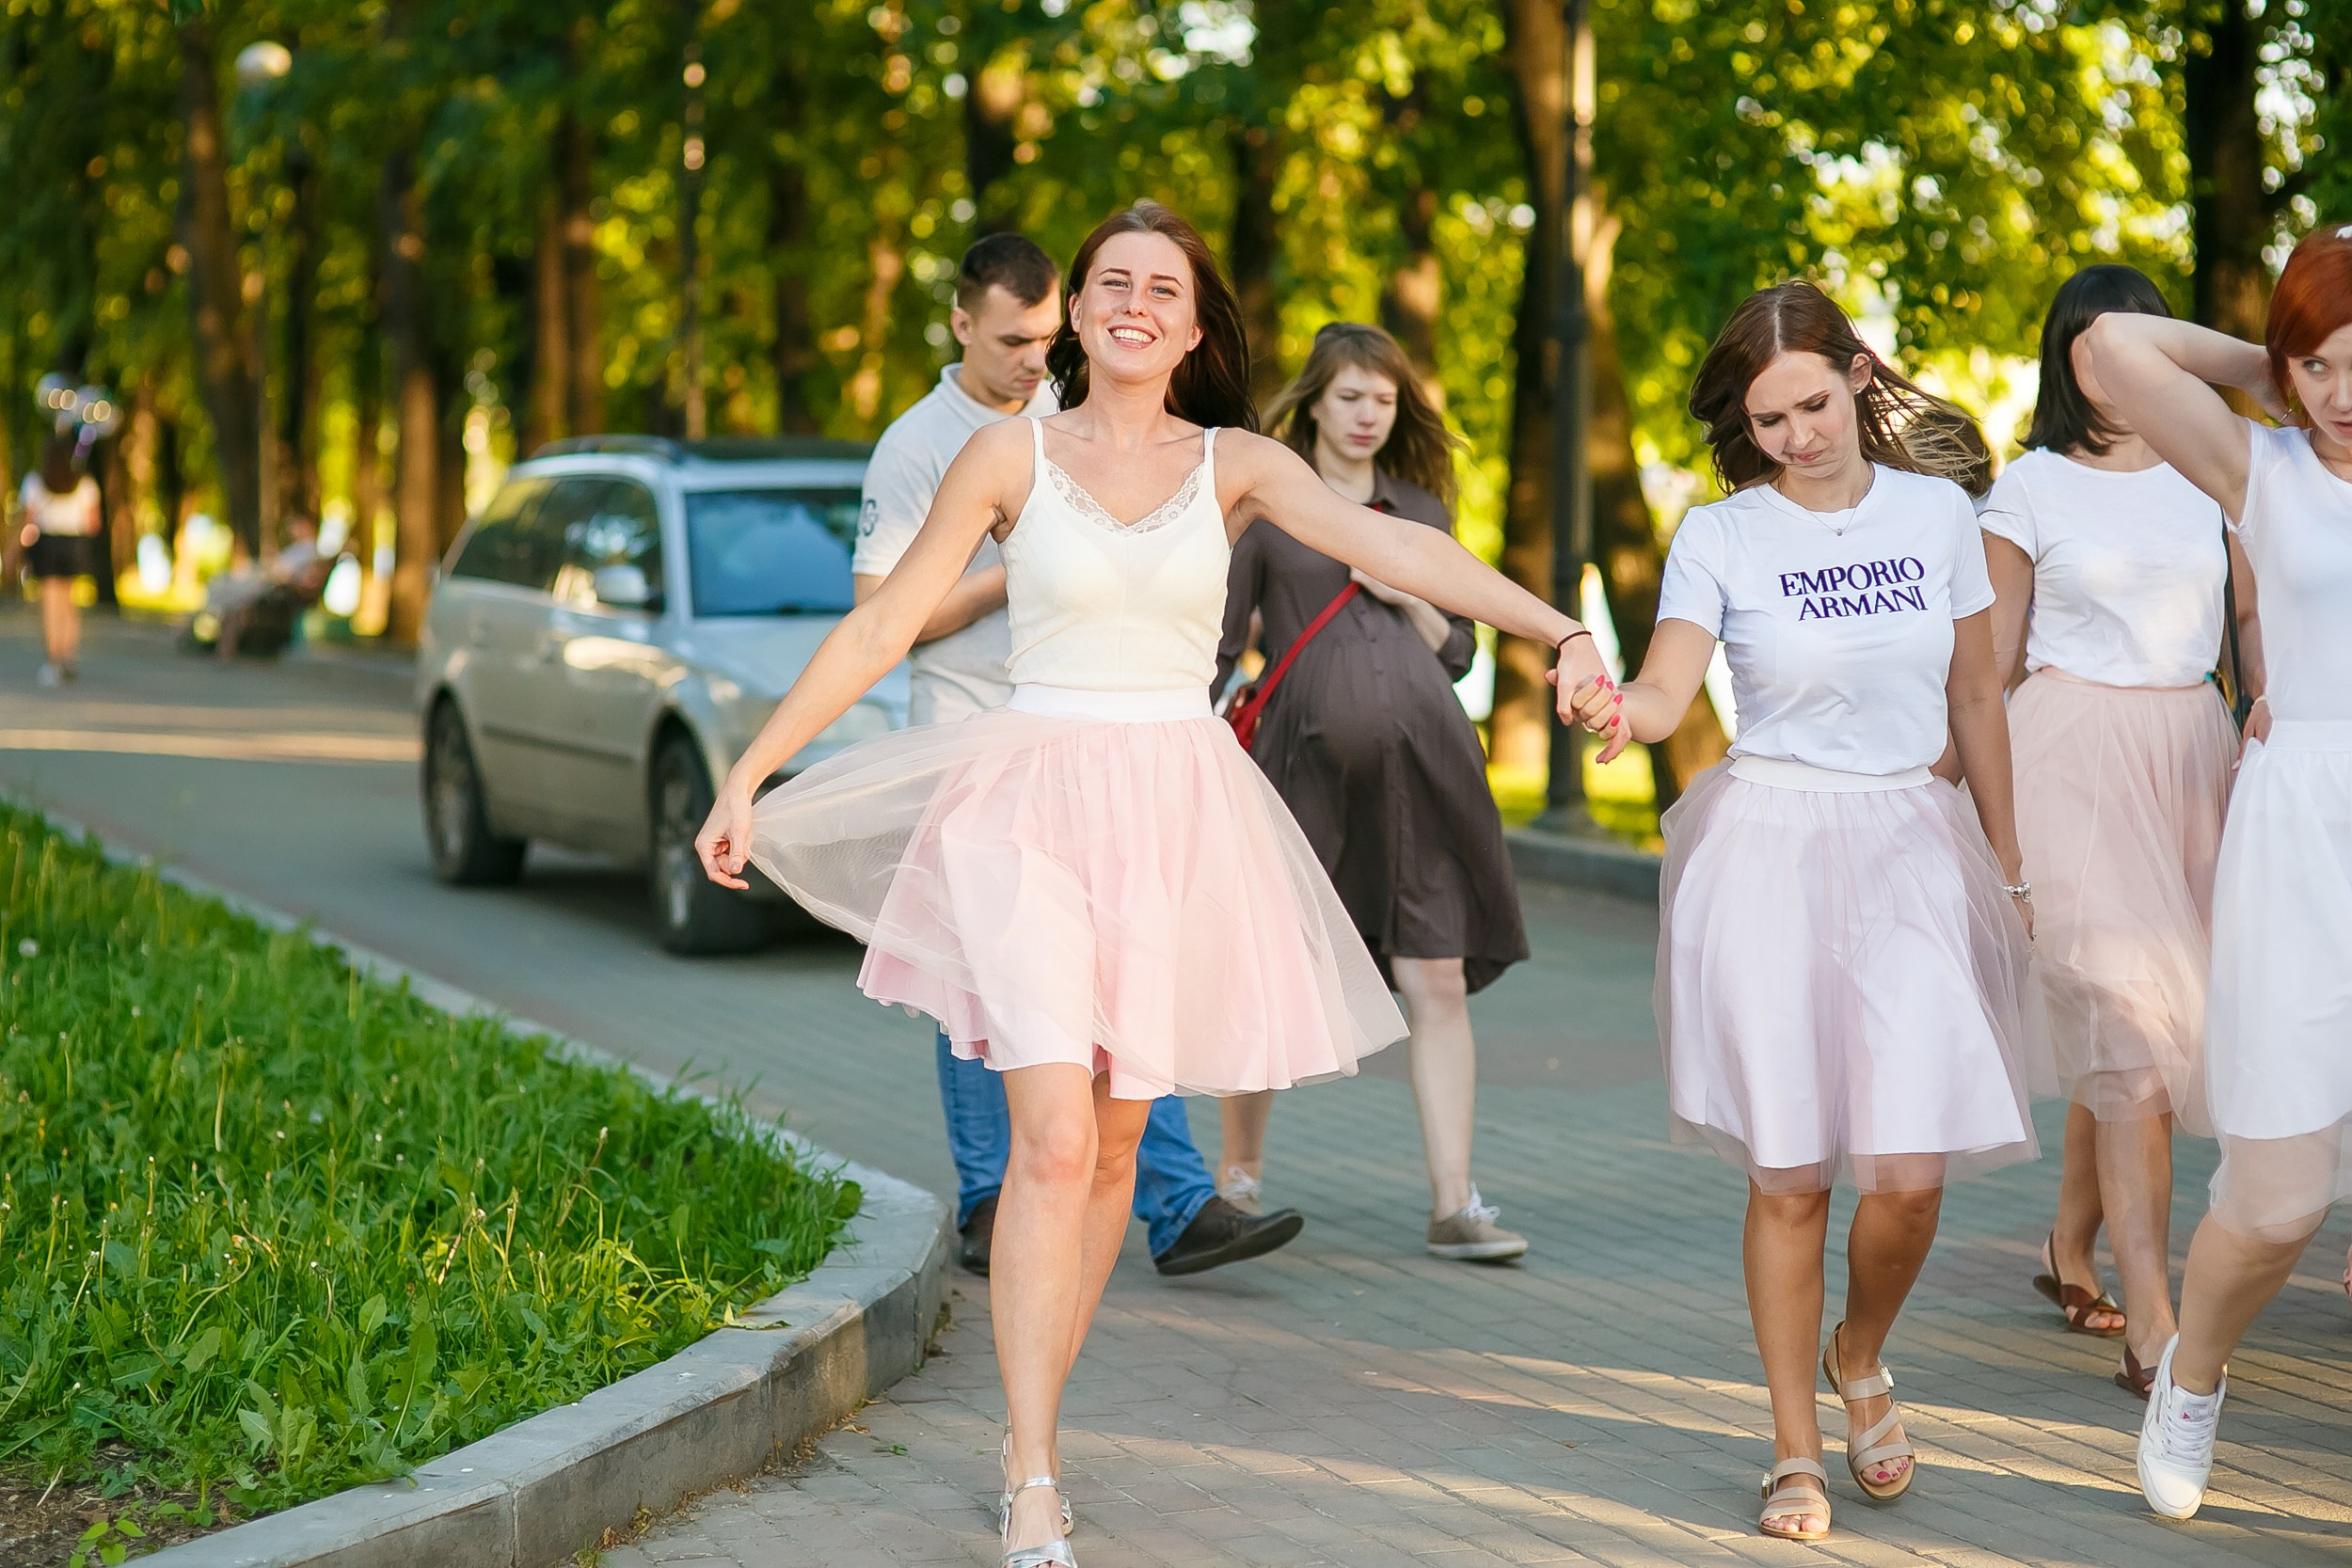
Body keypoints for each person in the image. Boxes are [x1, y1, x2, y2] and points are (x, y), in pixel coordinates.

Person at [697, 199, 1610, 1568]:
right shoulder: (1008, 455)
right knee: (1054, 1140)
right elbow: (886, 619)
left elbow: (1400, 551)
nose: (1131, 302)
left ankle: (1030, 1418)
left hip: (1176, 804)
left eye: (1160, 288)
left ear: (1192, 326)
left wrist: (1557, 626)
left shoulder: (1235, 463)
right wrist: (749, 772)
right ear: (1076, 312)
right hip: (1027, 803)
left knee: (1123, 1144)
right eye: (1108, 281)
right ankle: (1036, 1468)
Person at [1566, 280, 2046, 1543]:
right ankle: (1792, 1445)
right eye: (1770, 420)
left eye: (1815, 405)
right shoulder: (1720, 535)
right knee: (1789, 1175)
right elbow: (1671, 688)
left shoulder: (1940, 512)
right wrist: (1619, 708)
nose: (1798, 436)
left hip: (1908, 844)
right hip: (1772, 849)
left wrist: (2009, 862)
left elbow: (1980, 698)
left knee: (1909, 1174)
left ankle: (1860, 1349)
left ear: (1856, 373)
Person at [850, 231, 1302, 1281]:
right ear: (961, 324)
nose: (1028, 359)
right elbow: (882, 613)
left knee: (1125, 982)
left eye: (1041, 338)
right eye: (1009, 340)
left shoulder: (1074, 423)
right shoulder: (923, 444)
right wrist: (1016, 562)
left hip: (1103, 753)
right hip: (973, 737)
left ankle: (1175, 1199)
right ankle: (986, 1193)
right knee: (986, 993)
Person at [2085, 224, 2352, 1521]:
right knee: (2283, 1192)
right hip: (2307, 831)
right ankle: (2193, 1371)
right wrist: (2271, 359)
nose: (2344, 393)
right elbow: (2108, 348)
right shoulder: (2267, 465)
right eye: (2325, 367)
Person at [1979, 265, 2251, 1398]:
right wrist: (1956, 794)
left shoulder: (2219, 469)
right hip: (2065, 759)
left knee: (2157, 1028)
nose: (2110, 364)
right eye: (2089, 345)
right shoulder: (2028, 485)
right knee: (2129, 1021)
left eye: (2133, 342)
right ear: (2063, 358)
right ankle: (2154, 1316)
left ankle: (2065, 1246)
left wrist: (2272, 711)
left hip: (2194, 757)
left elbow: (2248, 617)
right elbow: (1985, 665)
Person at [1212, 322, 1531, 1261]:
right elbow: (1221, 644)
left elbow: (1464, 651)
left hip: (1428, 772)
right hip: (1300, 771)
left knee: (1435, 975)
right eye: (1349, 396)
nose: (1366, 415)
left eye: (1382, 400)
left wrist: (1405, 591)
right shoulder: (1267, 510)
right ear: (1312, 400)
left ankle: (1454, 1202)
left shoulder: (1421, 513)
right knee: (1268, 967)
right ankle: (1236, 1183)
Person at [19, 433, 101, 686]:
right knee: (69, 602)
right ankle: (69, 656)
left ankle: (53, 663)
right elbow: (92, 524)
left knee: (50, 603)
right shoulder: (85, 484)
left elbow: (28, 521)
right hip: (74, 544)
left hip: (47, 543)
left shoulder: (35, 482)